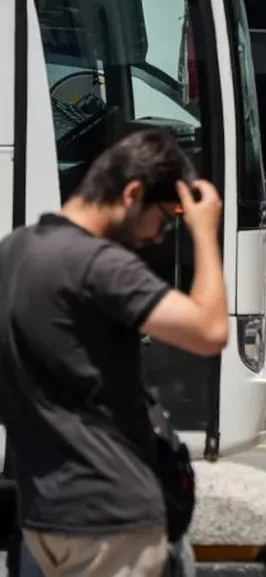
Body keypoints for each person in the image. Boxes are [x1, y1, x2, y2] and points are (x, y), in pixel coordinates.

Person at [0, 129, 227, 577]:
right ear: (132, 193)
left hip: (41, 515)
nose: (160, 236)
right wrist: (204, 233)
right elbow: (210, 330)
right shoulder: (98, 264)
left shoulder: (13, 252)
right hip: (109, 514)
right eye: (165, 218)